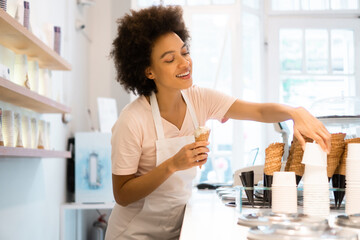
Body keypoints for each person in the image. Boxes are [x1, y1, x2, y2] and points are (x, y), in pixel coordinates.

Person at [105, 5, 331, 240]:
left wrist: (295, 112)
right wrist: (173, 164)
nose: (184, 63)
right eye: (170, 59)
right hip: (133, 233)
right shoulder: (132, 120)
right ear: (149, 71)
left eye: (185, 52)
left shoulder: (199, 99)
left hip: (176, 229)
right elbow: (122, 193)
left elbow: (259, 112)